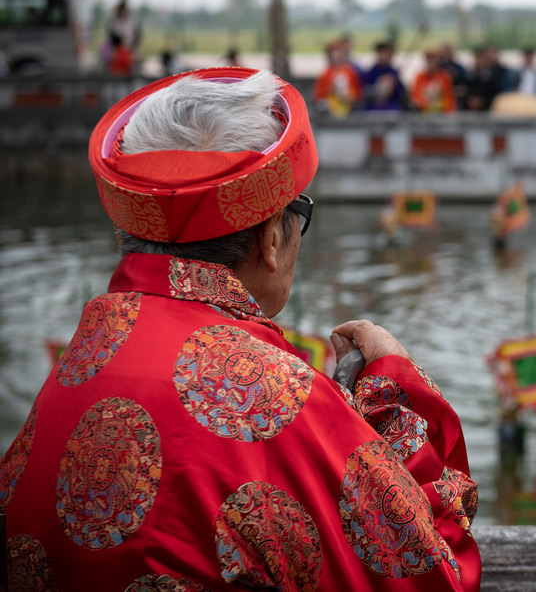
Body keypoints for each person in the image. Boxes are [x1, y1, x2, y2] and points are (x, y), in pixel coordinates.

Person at [0, 67, 480, 590]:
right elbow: (431, 572)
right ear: (271, 238)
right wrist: (394, 388)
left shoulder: (74, 369)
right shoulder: (283, 401)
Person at [314, 38, 363, 117]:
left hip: (349, 110)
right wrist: (330, 90)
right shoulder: (325, 74)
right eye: (333, 52)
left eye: (339, 52)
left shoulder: (350, 72)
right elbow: (318, 97)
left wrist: (349, 96)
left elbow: (358, 93)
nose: (337, 55)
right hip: (330, 112)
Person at [362, 41, 407, 111]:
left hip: (392, 108)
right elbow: (364, 92)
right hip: (374, 108)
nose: (387, 56)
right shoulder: (370, 73)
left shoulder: (393, 72)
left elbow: (401, 92)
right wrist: (378, 86)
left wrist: (394, 84)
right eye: (384, 53)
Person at [411, 48, 456, 114]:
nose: (431, 62)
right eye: (428, 60)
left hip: (440, 112)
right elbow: (416, 95)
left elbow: (449, 97)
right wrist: (426, 104)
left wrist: (447, 112)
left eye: (433, 60)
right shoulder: (420, 76)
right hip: (423, 111)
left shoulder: (444, 77)